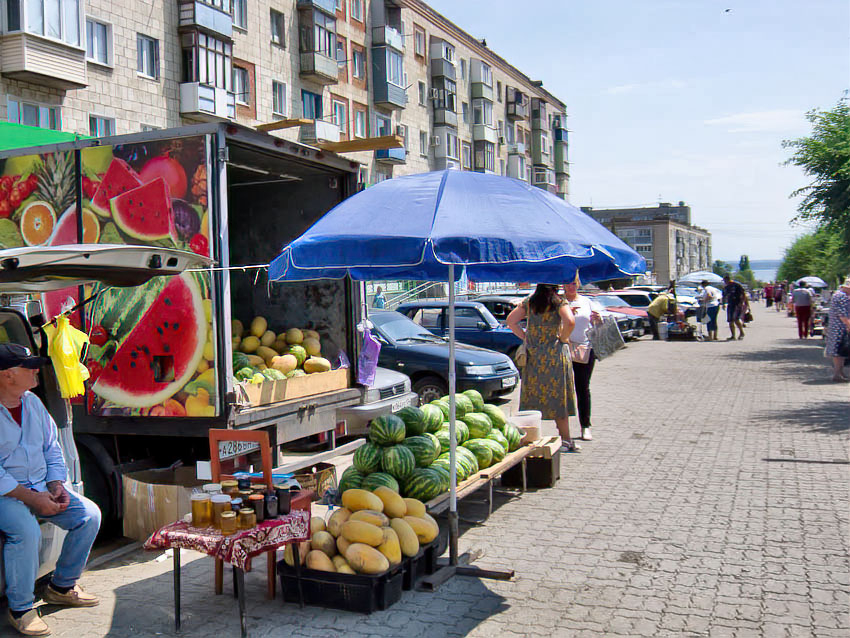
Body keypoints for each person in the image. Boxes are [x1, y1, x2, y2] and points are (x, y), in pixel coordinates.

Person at [0, 344, 101, 637]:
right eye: (28, 366)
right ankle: (20, 609)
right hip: (6, 494)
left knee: (89, 515)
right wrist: (32, 498)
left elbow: (52, 449)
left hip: (39, 487)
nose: (36, 371)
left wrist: (57, 485)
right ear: (7, 375)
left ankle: (62, 586)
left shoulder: (32, 403)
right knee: (25, 531)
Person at [506, 284, 579, 451]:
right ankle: (566, 439)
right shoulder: (559, 302)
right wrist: (562, 338)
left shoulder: (529, 303)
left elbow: (511, 321)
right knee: (559, 396)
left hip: (534, 356)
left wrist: (526, 337)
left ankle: (527, 438)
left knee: (532, 396)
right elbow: (570, 321)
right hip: (555, 355)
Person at [563, 278, 601, 441]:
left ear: (578, 284)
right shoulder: (559, 302)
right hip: (563, 348)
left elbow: (597, 324)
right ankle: (563, 430)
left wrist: (598, 319)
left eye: (573, 283)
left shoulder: (587, 301)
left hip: (585, 349)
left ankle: (585, 426)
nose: (571, 287)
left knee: (583, 388)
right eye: (567, 283)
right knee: (562, 390)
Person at [825, 278, 850, 382]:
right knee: (839, 351)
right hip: (840, 328)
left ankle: (840, 372)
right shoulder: (842, 297)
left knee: (841, 351)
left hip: (837, 327)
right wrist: (848, 325)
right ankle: (837, 373)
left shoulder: (839, 295)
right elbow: (842, 314)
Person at [722, 275, 748, 340]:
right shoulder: (726, 287)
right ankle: (733, 335)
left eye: (725, 281)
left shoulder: (736, 285)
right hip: (730, 304)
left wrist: (742, 303)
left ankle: (741, 332)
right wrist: (723, 303)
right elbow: (724, 296)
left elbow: (743, 294)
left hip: (737, 304)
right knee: (730, 321)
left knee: (736, 319)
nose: (725, 282)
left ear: (728, 280)